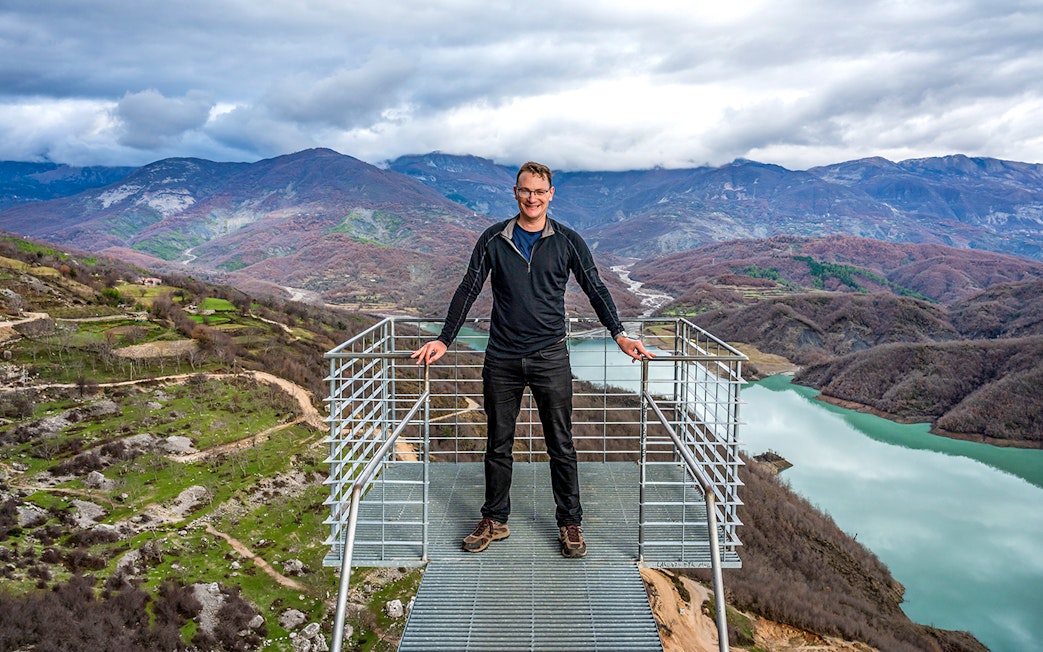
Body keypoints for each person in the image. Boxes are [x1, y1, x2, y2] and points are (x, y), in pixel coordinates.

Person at [411, 161, 653, 558]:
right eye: (526, 191)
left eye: (540, 192)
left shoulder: (568, 241)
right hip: (502, 356)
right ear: (515, 192)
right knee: (497, 443)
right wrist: (445, 339)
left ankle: (570, 523)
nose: (533, 198)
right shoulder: (494, 238)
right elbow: (469, 287)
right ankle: (494, 519)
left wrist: (619, 334)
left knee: (561, 443)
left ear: (551, 194)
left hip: (551, 355)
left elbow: (595, 287)